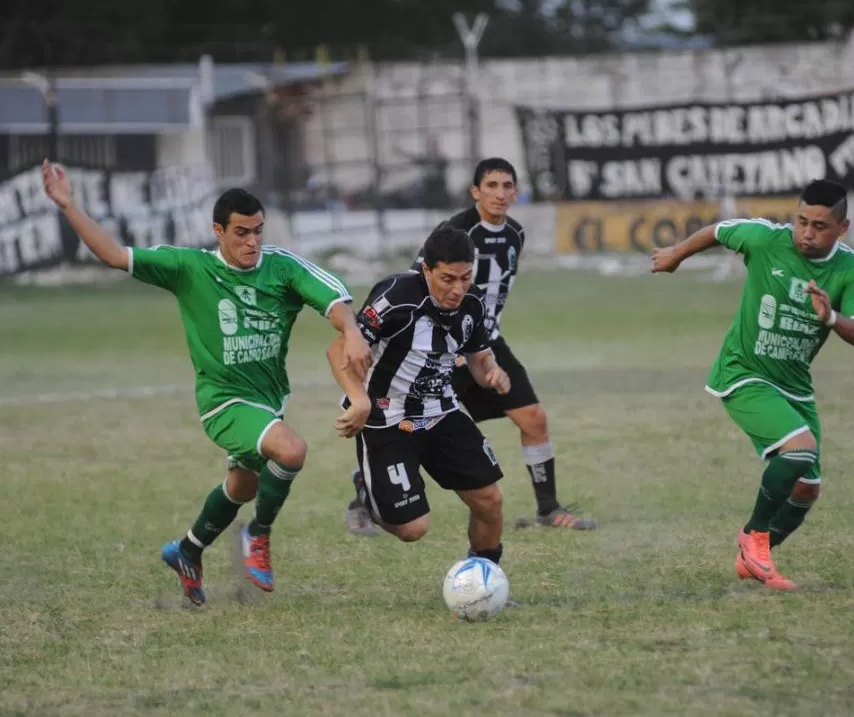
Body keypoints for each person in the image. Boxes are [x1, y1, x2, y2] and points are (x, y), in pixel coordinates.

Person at [41, 159, 372, 606]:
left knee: (244, 486)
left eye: (258, 230)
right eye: (242, 233)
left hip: (268, 398)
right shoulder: (189, 268)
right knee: (291, 450)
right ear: (219, 232)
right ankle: (257, 534)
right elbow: (115, 255)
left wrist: (350, 331)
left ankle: (188, 550)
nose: (253, 241)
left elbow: (332, 297)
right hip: (223, 400)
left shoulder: (281, 269)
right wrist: (68, 206)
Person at [343, 157, 596, 535]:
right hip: (439, 347)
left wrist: (485, 356)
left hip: (483, 342)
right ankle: (371, 489)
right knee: (417, 430)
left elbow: (492, 297)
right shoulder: (454, 233)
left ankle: (548, 508)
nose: (500, 194)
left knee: (534, 418)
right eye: (491, 186)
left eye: (507, 186)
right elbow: (418, 288)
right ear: (475, 191)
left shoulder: (515, 234)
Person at [651, 179, 854, 590]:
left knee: (807, 488)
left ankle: (754, 558)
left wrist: (830, 319)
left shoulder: (851, 271)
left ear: (842, 229)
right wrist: (675, 256)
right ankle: (753, 536)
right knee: (799, 449)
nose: (807, 233)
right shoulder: (765, 238)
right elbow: (718, 231)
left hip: (794, 385)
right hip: (743, 372)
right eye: (802, 222)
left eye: (820, 226)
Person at [327, 226, 512, 567]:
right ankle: (367, 491)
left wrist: (492, 372)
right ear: (426, 270)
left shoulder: (472, 304)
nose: (457, 289)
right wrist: (359, 400)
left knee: (490, 501)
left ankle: (484, 578)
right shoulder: (396, 296)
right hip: (386, 417)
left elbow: (478, 358)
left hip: (441, 410)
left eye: (465, 277)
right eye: (447, 279)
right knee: (413, 529)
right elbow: (339, 348)